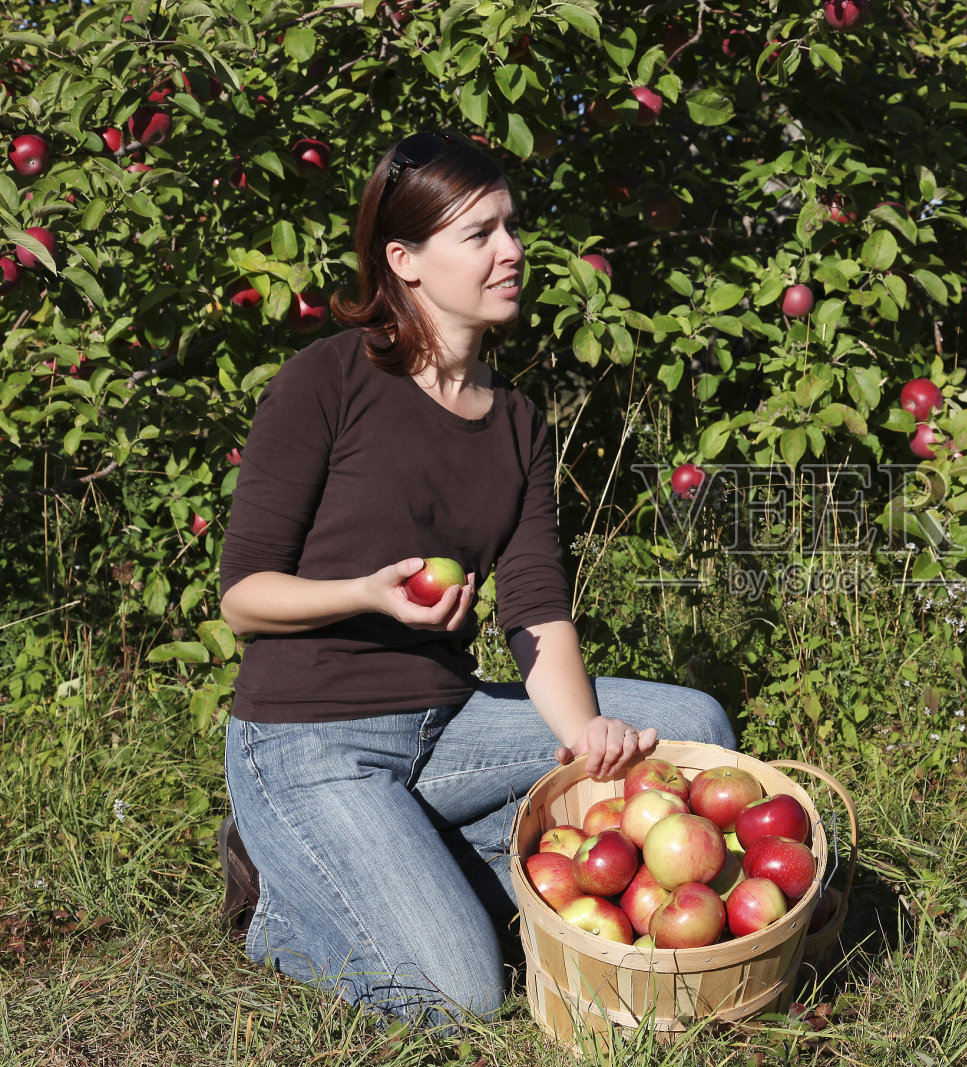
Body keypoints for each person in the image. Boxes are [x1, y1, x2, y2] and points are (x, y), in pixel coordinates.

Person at [215, 130, 735, 1029]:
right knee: (460, 989)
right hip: (307, 740)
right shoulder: (327, 380)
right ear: (405, 260)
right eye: (481, 233)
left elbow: (537, 609)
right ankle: (281, 904)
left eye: (512, 226)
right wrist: (363, 593)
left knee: (693, 728)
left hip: (446, 728)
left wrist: (586, 740)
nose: (512, 251)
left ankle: (398, 857)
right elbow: (243, 598)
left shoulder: (518, 422)